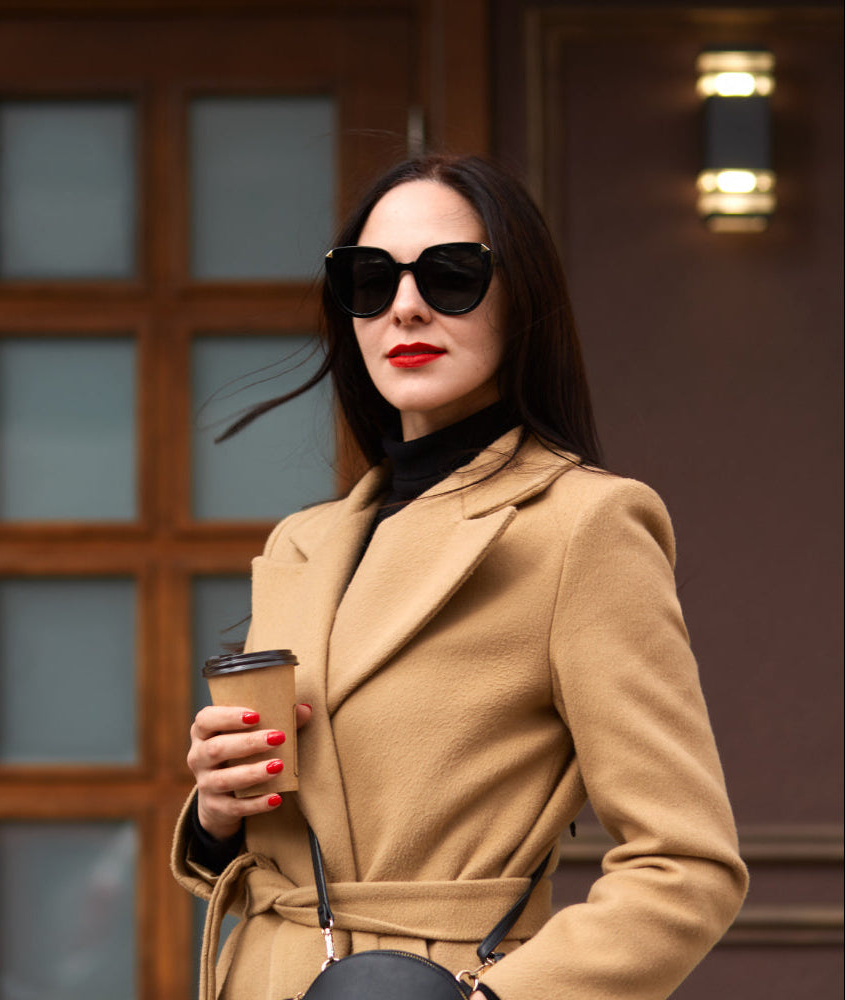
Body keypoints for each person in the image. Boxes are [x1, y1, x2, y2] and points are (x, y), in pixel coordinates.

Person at [173, 154, 748, 1000]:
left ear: (522, 300)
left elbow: (686, 864)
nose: (404, 305)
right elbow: (296, 831)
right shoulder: (305, 543)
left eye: (450, 275)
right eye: (370, 280)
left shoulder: (583, 527)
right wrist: (219, 811)